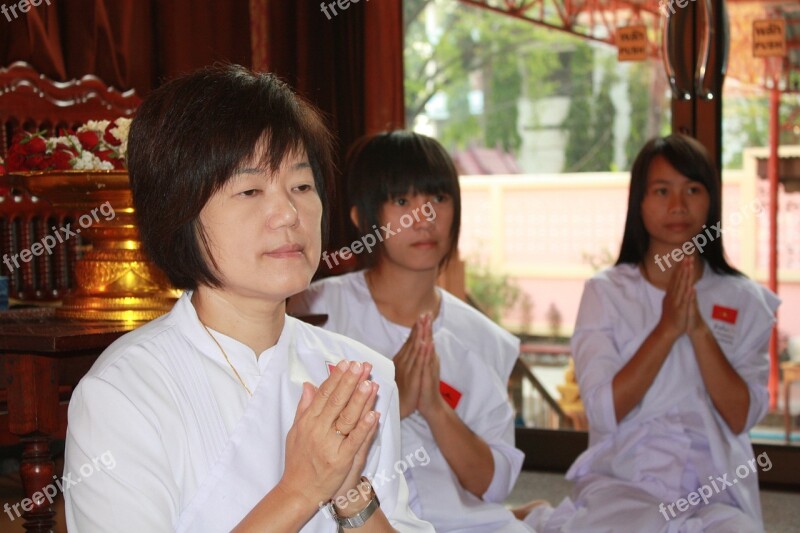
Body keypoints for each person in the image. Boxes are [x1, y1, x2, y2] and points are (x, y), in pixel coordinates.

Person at [63, 65, 434, 532]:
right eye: (250, 190)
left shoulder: (360, 375)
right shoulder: (124, 393)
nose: (287, 213)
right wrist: (300, 490)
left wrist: (350, 493)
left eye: (301, 186)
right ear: (177, 212)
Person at [289, 131, 539, 532]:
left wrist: (435, 409)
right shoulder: (312, 311)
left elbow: (492, 486)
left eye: (438, 199)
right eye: (403, 201)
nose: (424, 219)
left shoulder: (482, 337)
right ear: (362, 217)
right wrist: (395, 401)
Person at [534, 134, 779, 532]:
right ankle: (553, 519)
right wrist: (666, 329)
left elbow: (740, 416)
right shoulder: (606, 292)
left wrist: (698, 330)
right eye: (662, 191)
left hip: (715, 484)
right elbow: (602, 409)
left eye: (692, 190)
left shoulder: (744, 299)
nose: (678, 206)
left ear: (711, 201)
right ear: (639, 203)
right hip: (626, 478)